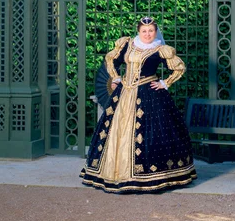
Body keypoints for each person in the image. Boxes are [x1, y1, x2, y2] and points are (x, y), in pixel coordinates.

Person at [80, 17, 197, 193]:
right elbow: (112, 60)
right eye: (144, 31)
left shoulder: (160, 50)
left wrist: (165, 83)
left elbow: (179, 68)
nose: (148, 34)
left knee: (152, 132)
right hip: (124, 93)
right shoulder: (127, 44)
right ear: (139, 31)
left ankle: (150, 176)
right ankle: (113, 173)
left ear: (156, 32)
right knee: (115, 131)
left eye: (151, 31)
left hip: (148, 94)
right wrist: (116, 78)